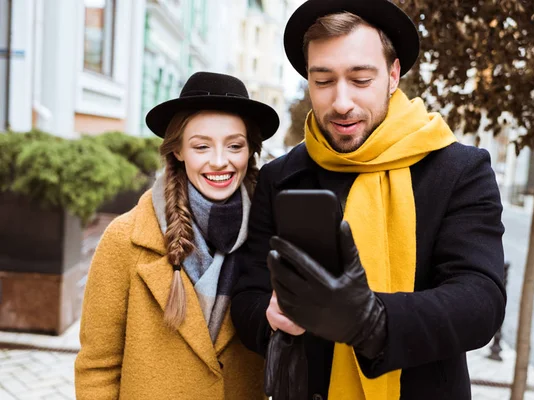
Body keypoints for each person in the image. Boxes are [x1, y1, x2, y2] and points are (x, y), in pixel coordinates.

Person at [230, 0, 506, 399]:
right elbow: (247, 296)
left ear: (393, 75)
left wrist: (371, 320)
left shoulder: (459, 170)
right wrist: (270, 316)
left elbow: (481, 301)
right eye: (323, 81)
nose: (341, 102)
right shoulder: (281, 176)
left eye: (360, 79)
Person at [74, 72, 279, 400]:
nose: (219, 161)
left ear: (251, 151)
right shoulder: (125, 239)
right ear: (178, 150)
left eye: (234, 145)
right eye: (201, 146)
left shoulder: (269, 235)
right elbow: (98, 366)